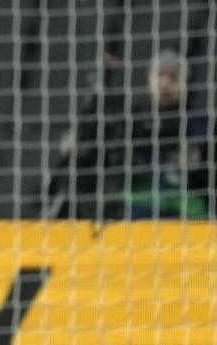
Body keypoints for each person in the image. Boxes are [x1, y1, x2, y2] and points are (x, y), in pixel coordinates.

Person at [47, 48, 209, 219]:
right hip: (133, 208)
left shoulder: (201, 122)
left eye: (173, 77)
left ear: (187, 83)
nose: (165, 83)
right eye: (160, 75)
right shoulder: (133, 117)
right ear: (149, 79)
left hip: (185, 211)